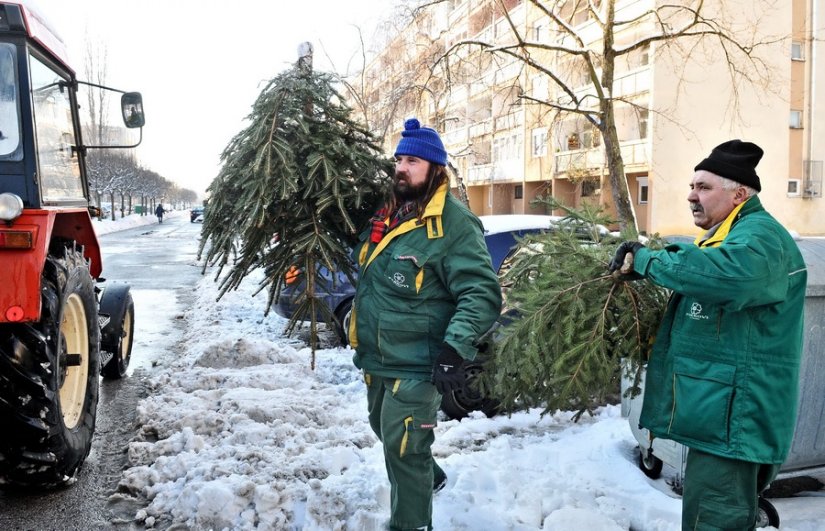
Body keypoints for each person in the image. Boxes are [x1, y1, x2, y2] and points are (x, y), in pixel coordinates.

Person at [609, 140, 807, 530]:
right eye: (692, 186)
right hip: (720, 414)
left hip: (735, 420)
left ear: (738, 194)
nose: (690, 195)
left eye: (703, 187)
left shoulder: (761, 238)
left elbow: (725, 277)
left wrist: (648, 259)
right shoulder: (734, 235)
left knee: (714, 521)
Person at [349, 118, 502, 531]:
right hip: (380, 359)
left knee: (405, 448)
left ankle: (412, 523)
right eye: (399, 158)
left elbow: (482, 294)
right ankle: (429, 478)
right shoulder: (390, 214)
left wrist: (456, 349)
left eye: (412, 160)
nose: (401, 167)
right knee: (384, 431)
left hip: (419, 363)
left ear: (436, 168)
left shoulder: (453, 223)